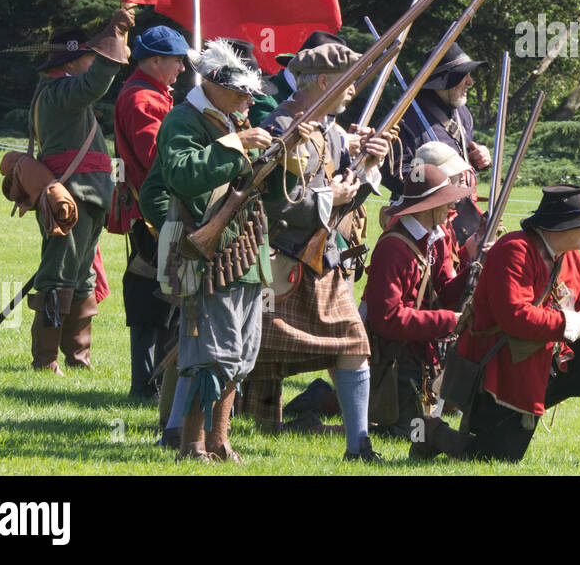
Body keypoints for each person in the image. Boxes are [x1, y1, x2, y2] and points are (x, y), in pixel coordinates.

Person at [421, 186, 580, 464]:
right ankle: (434, 433)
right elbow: (516, 318)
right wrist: (573, 322)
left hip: (546, 361)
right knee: (498, 457)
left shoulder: (569, 255)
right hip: (502, 371)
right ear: (562, 226)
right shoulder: (513, 250)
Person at [247, 43, 390, 462]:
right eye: (348, 83)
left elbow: (344, 192)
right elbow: (273, 203)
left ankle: (358, 446)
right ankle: (182, 431)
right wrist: (329, 197)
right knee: (235, 353)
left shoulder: (328, 128)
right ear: (325, 82)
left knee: (354, 346)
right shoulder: (282, 126)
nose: (353, 92)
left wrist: (367, 164)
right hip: (281, 261)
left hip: (320, 259)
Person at [139, 37, 276, 462]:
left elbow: (271, 193)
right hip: (208, 255)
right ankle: (192, 443)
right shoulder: (185, 120)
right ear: (213, 83)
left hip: (246, 252)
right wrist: (180, 231)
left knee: (239, 355)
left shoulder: (233, 121)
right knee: (209, 353)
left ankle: (220, 438)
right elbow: (179, 177)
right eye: (240, 91)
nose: (247, 100)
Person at [26, 6, 134, 374]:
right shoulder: (60, 92)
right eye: (88, 56)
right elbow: (96, 83)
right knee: (57, 277)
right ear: (71, 63)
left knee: (82, 278)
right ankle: (46, 360)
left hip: (84, 198)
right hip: (72, 198)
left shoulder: (59, 91)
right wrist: (115, 34)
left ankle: (78, 357)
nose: (91, 62)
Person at [362, 163, 474, 440]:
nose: (452, 204)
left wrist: (474, 267)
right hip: (392, 354)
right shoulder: (393, 247)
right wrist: (450, 321)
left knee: (419, 428)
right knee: (408, 433)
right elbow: (386, 318)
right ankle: (314, 412)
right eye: (445, 198)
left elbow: (443, 293)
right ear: (428, 205)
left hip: (416, 350)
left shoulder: (434, 239)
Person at [111, 24, 188, 402]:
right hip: (155, 214)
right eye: (176, 61)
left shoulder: (152, 94)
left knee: (164, 302)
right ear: (156, 60)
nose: (182, 69)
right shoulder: (145, 100)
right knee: (152, 302)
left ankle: (155, 385)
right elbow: (157, 158)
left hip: (152, 212)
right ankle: (147, 387)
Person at [384, 43, 491, 195]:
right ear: (446, 81)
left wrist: (478, 157)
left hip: (461, 205)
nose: (470, 82)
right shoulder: (406, 119)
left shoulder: (462, 113)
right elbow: (395, 172)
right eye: (463, 75)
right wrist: (438, 184)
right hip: (425, 213)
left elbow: (461, 156)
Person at [249, 30, 347, 127]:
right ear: (322, 80)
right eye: (337, 80)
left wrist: (341, 139)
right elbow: (270, 138)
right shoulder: (261, 97)